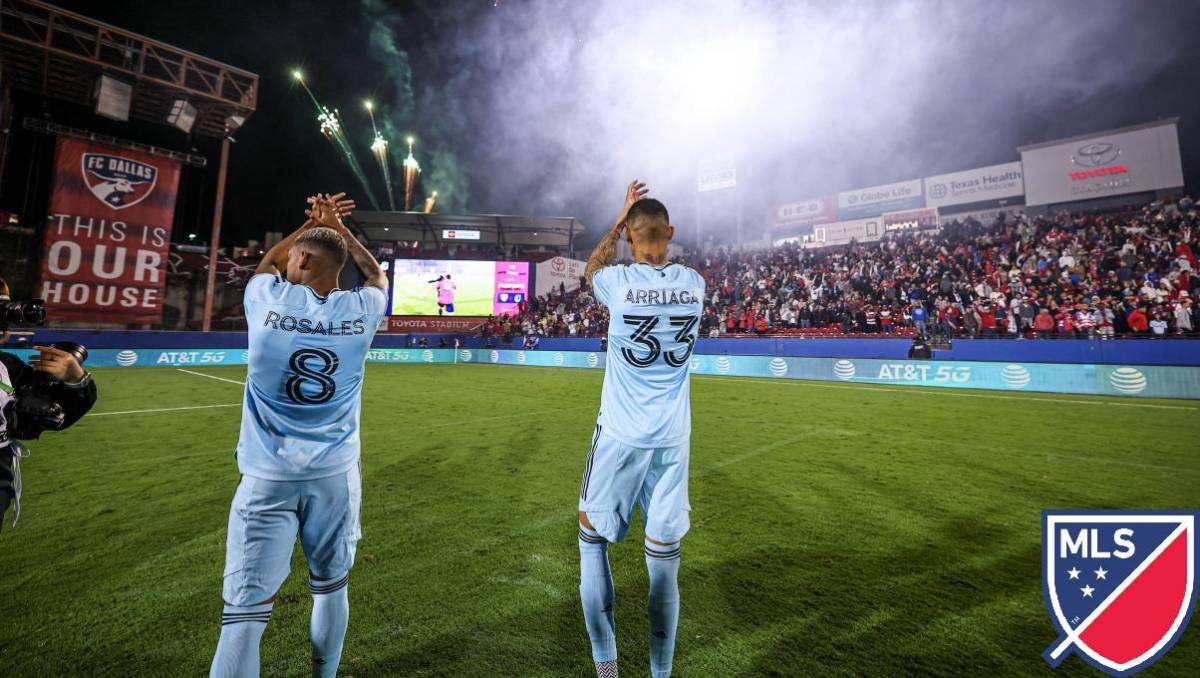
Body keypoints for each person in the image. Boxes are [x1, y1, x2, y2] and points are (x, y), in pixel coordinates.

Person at [209, 193, 388, 678]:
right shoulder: (360, 312)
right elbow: (375, 275)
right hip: (334, 476)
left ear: (303, 258)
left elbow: (268, 261)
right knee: (331, 585)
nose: (286, 261)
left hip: (266, 477)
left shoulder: (266, 300)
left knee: (244, 617)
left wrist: (309, 223)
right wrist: (337, 230)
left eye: (295, 255)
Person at [576, 180, 704, 678]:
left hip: (621, 434)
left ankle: (607, 669)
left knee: (591, 541)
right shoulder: (695, 283)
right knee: (664, 559)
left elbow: (592, 270)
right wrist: (634, 225)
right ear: (670, 232)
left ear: (629, 237)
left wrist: (616, 221)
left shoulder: (620, 283)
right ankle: (661, 673)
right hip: (673, 437)